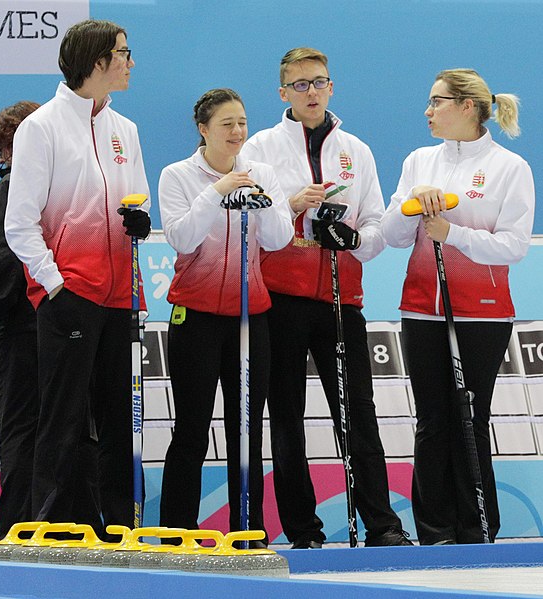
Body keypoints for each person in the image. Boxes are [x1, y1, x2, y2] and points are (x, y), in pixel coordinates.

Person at [242, 47, 412, 548]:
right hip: (282, 296)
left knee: (358, 412)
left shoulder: (356, 150)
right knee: (287, 415)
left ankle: (383, 526)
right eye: (300, 84)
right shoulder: (261, 147)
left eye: (319, 82)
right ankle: (303, 531)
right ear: (283, 93)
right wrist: (291, 206)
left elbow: (379, 222)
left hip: (343, 298)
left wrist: (356, 240)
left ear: (331, 87)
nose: (311, 92)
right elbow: (248, 220)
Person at [4, 20, 151, 536]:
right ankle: (42, 528)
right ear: (96, 61)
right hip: (70, 293)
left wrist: (140, 218)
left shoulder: (125, 129)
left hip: (119, 296)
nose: (131, 62)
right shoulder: (40, 127)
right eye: (124, 53)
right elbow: (19, 221)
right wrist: (54, 282)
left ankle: (117, 529)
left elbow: (137, 197)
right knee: (63, 416)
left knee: (116, 419)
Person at [382, 68, 535, 545]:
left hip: (481, 312)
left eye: (437, 102)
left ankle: (477, 527)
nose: (428, 112)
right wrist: (410, 203)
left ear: (467, 107)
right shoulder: (418, 161)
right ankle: (433, 531)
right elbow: (391, 235)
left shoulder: (510, 167)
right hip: (422, 309)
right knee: (430, 420)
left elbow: (513, 245)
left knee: (470, 416)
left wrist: (455, 233)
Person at [158, 88, 293, 545]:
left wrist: (264, 200)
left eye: (242, 122)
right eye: (226, 125)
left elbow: (276, 240)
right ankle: (177, 532)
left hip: (249, 318)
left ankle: (248, 531)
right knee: (192, 428)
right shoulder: (177, 175)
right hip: (194, 316)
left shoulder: (262, 173)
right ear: (203, 130)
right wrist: (215, 193)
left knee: (246, 428)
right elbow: (182, 239)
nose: (237, 133)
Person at [0, 101, 40, 539]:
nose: (3, 159)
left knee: (20, 439)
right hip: (71, 330)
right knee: (65, 440)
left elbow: (2, 270)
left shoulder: (8, 194)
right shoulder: (60, 187)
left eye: (5, 149)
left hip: (25, 336)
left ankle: (18, 539)